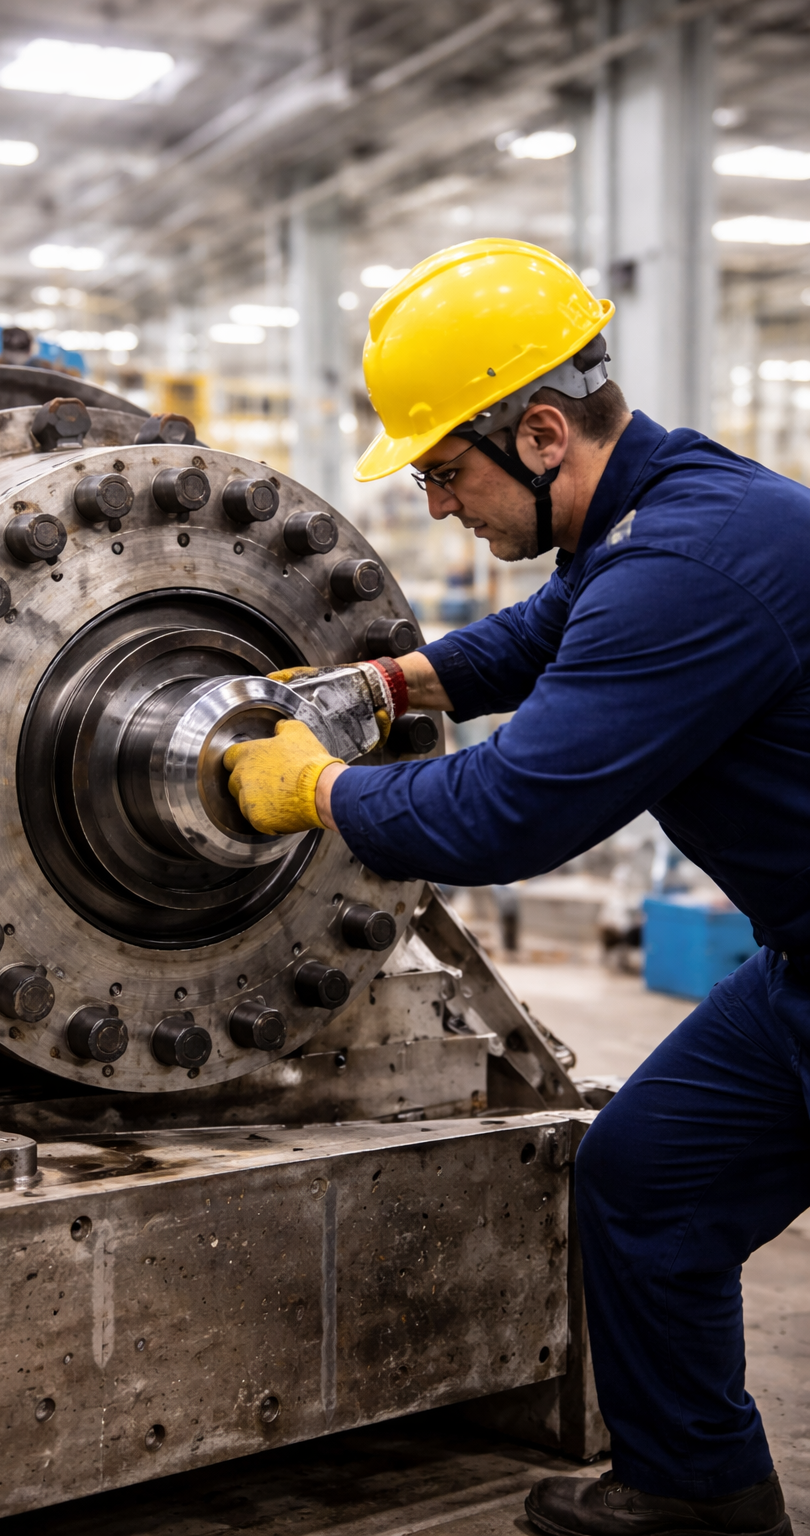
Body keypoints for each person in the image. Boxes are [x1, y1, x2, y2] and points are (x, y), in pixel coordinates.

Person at [223, 237, 810, 1536]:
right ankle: (696, 1491)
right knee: (646, 1181)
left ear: (541, 432)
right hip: (798, 967)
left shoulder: (686, 568)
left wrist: (311, 788)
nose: (435, 505)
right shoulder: (659, 508)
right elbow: (529, 642)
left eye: (444, 470)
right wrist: (384, 686)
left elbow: (507, 813)